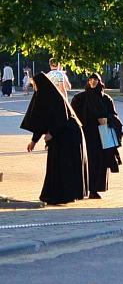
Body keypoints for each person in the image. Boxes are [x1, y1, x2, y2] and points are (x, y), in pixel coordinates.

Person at [21, 73, 88, 204]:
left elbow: (61, 117)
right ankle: (58, 194)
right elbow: (41, 120)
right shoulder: (45, 96)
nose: (34, 87)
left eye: (34, 84)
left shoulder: (52, 97)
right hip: (62, 134)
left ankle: (61, 195)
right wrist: (34, 141)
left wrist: (51, 132)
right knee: (58, 164)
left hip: (67, 135)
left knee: (62, 164)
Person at [70, 73, 123, 199]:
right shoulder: (80, 98)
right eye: (91, 80)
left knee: (100, 163)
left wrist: (107, 120)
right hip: (86, 135)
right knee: (85, 161)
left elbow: (114, 115)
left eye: (95, 80)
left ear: (100, 82)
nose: (93, 82)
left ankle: (94, 189)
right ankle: (81, 188)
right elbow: (73, 116)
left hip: (102, 135)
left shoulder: (106, 99)